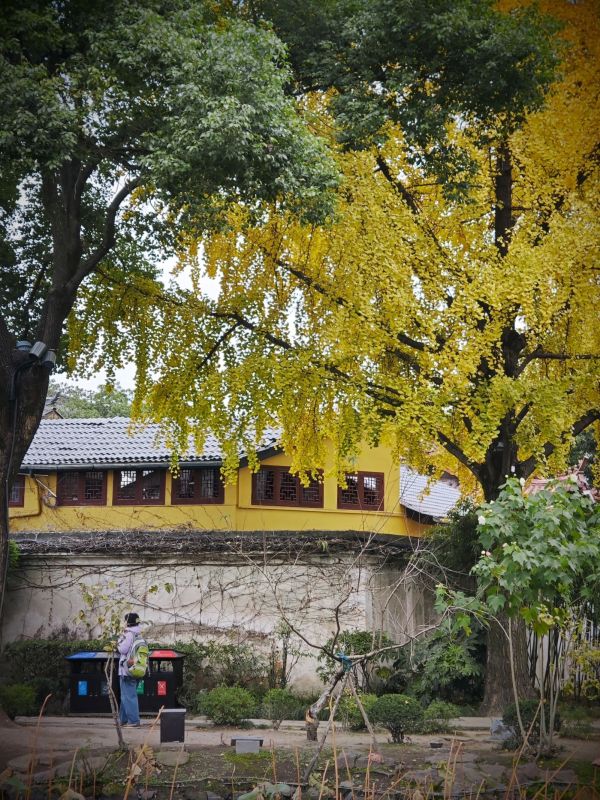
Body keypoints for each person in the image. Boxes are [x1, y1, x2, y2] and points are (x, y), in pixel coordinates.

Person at [117, 611, 142, 727]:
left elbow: (122, 649)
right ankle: (123, 720)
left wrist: (118, 641)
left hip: (126, 670)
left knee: (129, 697)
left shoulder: (128, 634)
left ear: (127, 622)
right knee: (125, 696)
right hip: (136, 668)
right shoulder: (139, 634)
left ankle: (134, 721)